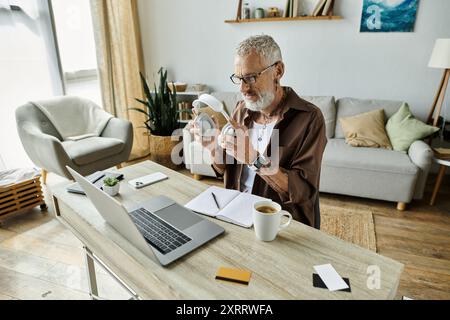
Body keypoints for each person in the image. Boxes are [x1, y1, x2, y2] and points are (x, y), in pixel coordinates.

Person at [190, 35, 327, 229]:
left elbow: (303, 192)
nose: (243, 88)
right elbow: (224, 169)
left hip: (281, 223)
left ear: (277, 71)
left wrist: (253, 158)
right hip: (234, 214)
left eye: (251, 77)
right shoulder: (241, 109)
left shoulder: (310, 118)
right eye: (238, 78)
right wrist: (212, 148)